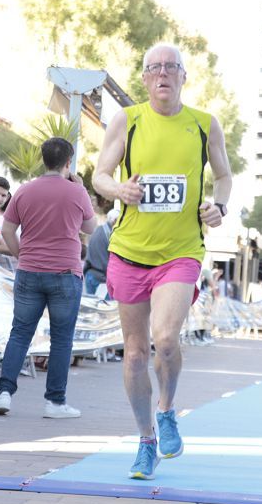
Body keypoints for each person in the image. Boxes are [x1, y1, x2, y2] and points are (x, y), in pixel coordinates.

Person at [93, 42, 232, 479]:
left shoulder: (204, 125)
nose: (163, 75)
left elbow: (224, 176)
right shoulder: (127, 120)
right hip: (130, 251)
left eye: (171, 67)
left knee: (166, 339)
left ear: (184, 76)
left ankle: (167, 408)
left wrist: (219, 207)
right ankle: (146, 440)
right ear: (144, 78)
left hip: (181, 251)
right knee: (134, 354)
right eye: (154, 68)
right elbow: (99, 175)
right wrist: (120, 191)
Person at [0, 137, 96, 419]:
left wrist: (20, 255)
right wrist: (82, 190)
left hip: (29, 271)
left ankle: (4, 393)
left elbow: (8, 230)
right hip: (65, 273)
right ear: (68, 163)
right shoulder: (77, 192)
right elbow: (90, 227)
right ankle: (55, 402)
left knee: (20, 332)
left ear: (42, 159)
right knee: (61, 339)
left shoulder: (24, 191)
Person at [83, 208, 119, 296]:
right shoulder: (110, 234)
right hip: (102, 280)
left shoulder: (98, 230)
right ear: (114, 221)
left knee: (92, 308)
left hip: (91, 275)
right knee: (106, 308)